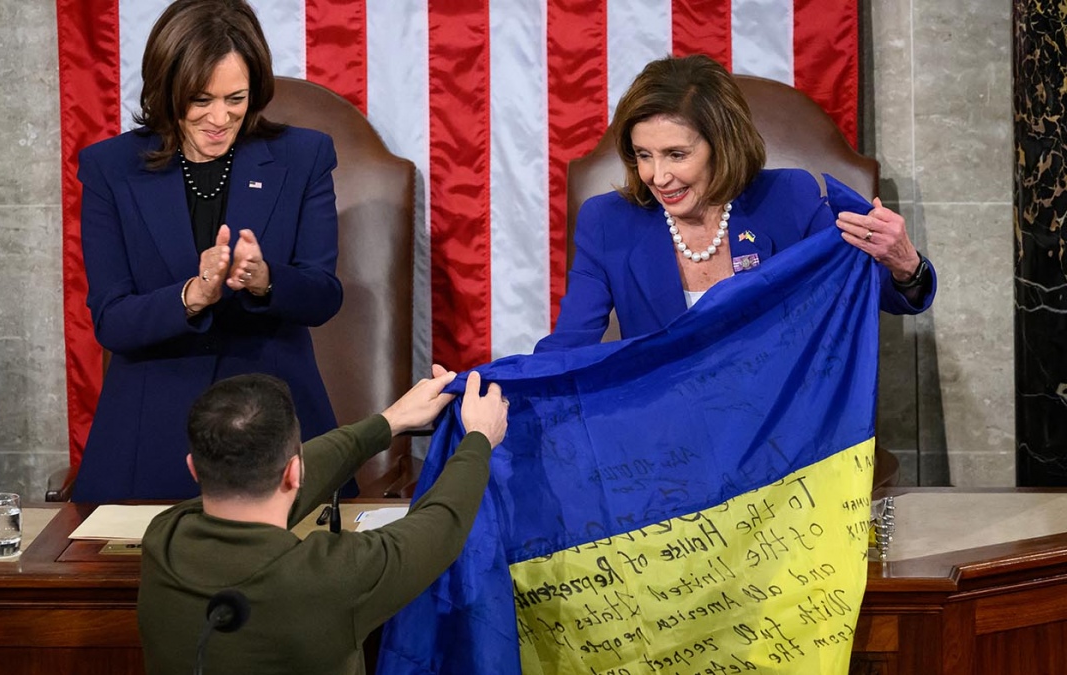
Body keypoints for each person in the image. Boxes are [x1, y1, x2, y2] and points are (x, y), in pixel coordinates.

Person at [72, 0, 342, 502]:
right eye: (200, 100)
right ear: (166, 89)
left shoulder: (304, 157)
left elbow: (323, 295)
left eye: (235, 98)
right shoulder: (111, 169)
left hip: (273, 419)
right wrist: (193, 295)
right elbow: (112, 320)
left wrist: (263, 279)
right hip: (151, 433)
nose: (220, 118)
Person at [535, 55, 935, 352]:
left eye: (676, 155)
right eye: (643, 155)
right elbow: (571, 345)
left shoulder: (788, 200)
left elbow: (873, 294)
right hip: (664, 433)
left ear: (722, 147)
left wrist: (905, 265)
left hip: (776, 427)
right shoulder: (608, 221)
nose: (657, 176)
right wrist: (509, 395)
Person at [137, 367, 509, 674]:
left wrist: (389, 422)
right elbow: (441, 525)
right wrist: (478, 439)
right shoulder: (333, 576)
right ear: (293, 473)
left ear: (193, 469)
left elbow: (278, 480)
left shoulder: (163, 537)